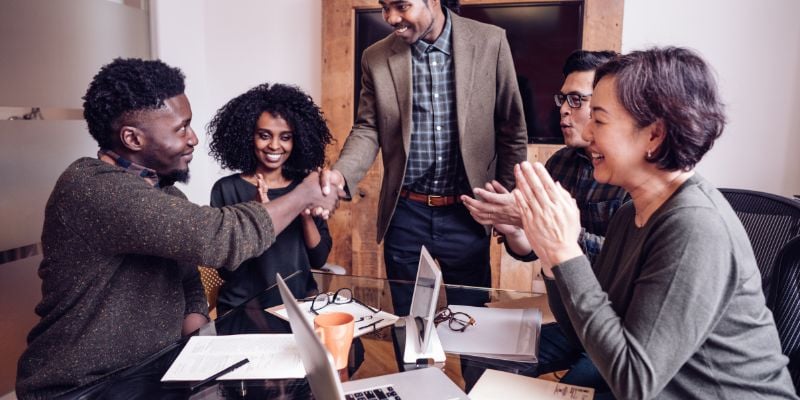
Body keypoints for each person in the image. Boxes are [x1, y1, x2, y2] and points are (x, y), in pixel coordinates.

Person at [15, 58, 338, 399]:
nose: (193, 138)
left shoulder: (165, 192)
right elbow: (217, 239)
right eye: (181, 128)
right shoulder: (92, 188)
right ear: (132, 138)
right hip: (84, 387)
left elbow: (187, 278)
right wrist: (305, 193)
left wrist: (200, 340)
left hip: (154, 371)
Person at [513, 47, 797, 399]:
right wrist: (551, 258)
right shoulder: (628, 215)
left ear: (654, 135)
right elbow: (586, 334)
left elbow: (633, 382)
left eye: (599, 120)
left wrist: (566, 251)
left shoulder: (695, 226)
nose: (587, 136)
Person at [321, 0, 528, 315]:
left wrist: (505, 200)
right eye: (384, 6)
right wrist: (340, 174)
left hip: (468, 212)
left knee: (474, 320)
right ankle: (416, 368)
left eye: (401, 6)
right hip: (406, 214)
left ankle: (475, 368)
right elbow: (368, 128)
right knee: (410, 322)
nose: (391, 18)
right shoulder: (375, 58)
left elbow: (511, 129)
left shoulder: (490, 41)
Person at [207, 83, 333, 314]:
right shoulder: (227, 189)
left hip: (298, 307)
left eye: (285, 137)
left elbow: (319, 258)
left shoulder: (305, 187)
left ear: (297, 141)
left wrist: (302, 210)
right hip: (244, 310)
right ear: (248, 136)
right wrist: (255, 213)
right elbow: (226, 271)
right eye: (264, 136)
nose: (275, 146)